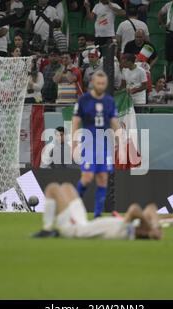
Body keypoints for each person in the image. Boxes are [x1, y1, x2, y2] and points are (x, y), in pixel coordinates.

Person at [34, 182, 162, 240]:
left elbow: (135, 209)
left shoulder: (124, 230)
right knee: (67, 187)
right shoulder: (131, 226)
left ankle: (47, 229)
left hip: (73, 230)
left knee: (53, 188)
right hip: (83, 224)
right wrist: (154, 226)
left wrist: (150, 228)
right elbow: (151, 208)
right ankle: (49, 229)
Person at [72, 70, 120, 219]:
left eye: (103, 83)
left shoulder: (109, 101)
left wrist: (119, 139)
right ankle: (73, 209)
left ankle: (97, 216)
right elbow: (76, 121)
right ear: (93, 83)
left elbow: (114, 122)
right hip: (88, 142)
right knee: (87, 177)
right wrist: (74, 143)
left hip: (104, 144)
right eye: (98, 83)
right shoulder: (84, 100)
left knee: (102, 178)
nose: (101, 85)